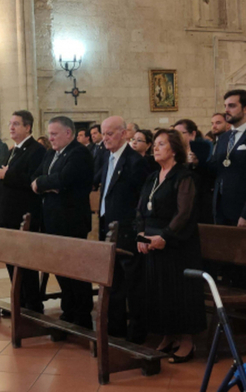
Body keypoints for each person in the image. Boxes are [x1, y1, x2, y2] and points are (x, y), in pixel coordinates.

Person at [133, 129, 205, 363]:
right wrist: (141, 235)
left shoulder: (184, 176)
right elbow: (140, 209)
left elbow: (184, 213)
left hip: (178, 244)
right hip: (153, 242)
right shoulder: (153, 176)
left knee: (180, 292)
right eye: (155, 144)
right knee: (159, 291)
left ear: (174, 149)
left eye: (161, 144)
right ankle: (167, 335)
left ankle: (186, 341)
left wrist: (165, 236)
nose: (155, 148)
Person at [32, 116, 95, 328]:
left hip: (72, 220)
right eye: (49, 133)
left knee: (75, 269)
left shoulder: (79, 153)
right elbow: (37, 178)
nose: (50, 138)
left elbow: (64, 180)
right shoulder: (51, 153)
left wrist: (46, 184)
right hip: (51, 219)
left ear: (68, 133)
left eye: (54, 134)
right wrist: (47, 184)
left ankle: (83, 313)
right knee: (59, 267)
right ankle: (69, 309)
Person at [95, 116, 150, 339]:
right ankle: (115, 329)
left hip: (126, 230)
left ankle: (137, 332)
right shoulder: (106, 157)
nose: (105, 138)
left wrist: (136, 229)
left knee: (131, 283)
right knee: (113, 281)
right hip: (108, 227)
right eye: (103, 134)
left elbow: (141, 200)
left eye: (110, 134)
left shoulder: (136, 162)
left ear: (124, 134)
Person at [0, 110, 47, 312]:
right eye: (10, 123)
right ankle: (19, 301)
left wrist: (7, 174)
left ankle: (32, 304)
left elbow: (32, 180)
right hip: (8, 214)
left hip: (23, 216)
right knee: (12, 262)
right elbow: (12, 176)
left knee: (25, 263)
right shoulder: (15, 149)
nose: (11, 127)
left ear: (28, 127)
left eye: (16, 124)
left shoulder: (36, 150)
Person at [209, 90, 246, 227]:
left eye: (231, 106)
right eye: (225, 106)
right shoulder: (224, 137)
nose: (226, 110)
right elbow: (217, 170)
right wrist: (197, 162)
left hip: (242, 209)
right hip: (220, 208)